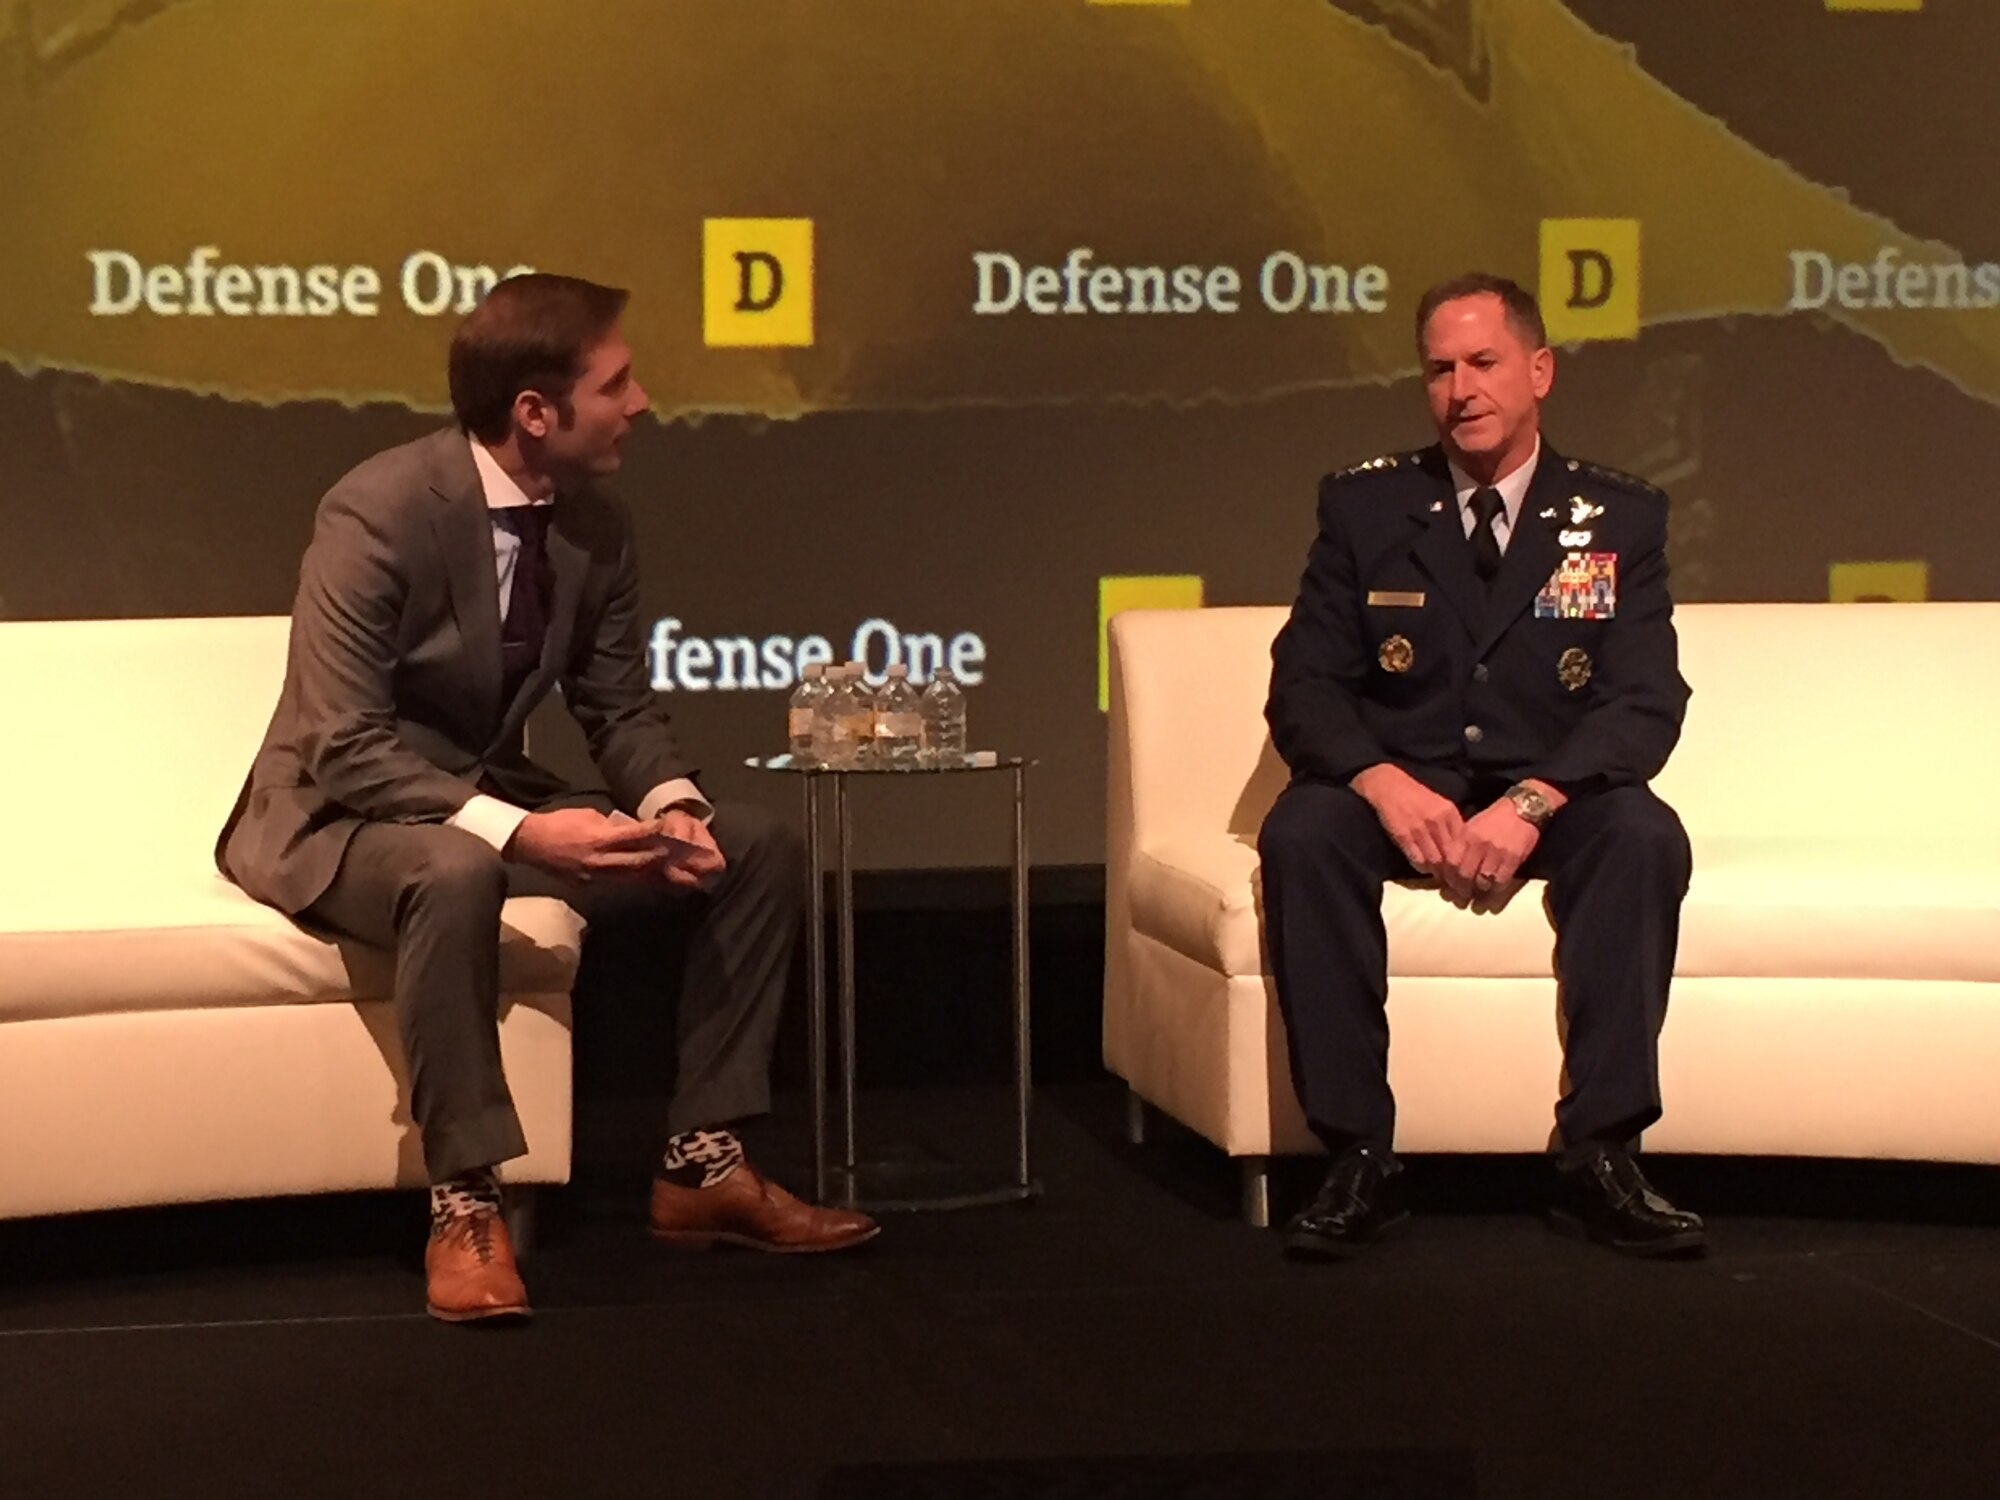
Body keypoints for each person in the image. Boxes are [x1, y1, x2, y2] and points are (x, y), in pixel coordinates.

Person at [218, 273, 877, 1324]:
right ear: (535, 411)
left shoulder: (594, 527)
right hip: (338, 817)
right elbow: (342, 743)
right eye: (616, 383)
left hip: (478, 803)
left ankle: (702, 1164)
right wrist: (527, 829)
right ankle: (464, 1199)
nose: (642, 402)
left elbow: (617, 708)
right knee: (454, 863)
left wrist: (672, 809)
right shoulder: (378, 510)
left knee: (754, 845)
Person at [1258, 272, 1706, 1261]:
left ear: (1537, 371)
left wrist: (1535, 800)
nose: (1459, 388)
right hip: (1400, 790)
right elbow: (1306, 687)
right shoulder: (1365, 507)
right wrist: (1379, 781)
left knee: (1641, 834)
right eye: (1437, 369)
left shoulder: (1617, 518)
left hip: (1543, 796)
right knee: (1301, 831)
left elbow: (1642, 700)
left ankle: (1600, 1152)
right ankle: (1354, 1155)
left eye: (1482, 363)